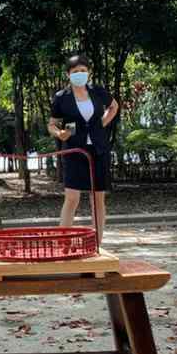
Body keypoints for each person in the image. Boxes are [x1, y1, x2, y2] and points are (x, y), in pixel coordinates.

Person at [47, 54, 118, 241]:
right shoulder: (61, 98)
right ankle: (62, 242)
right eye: (75, 71)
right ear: (68, 74)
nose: (80, 74)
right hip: (74, 150)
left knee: (98, 199)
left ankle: (97, 242)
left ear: (89, 73)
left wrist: (101, 124)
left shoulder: (97, 91)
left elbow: (114, 107)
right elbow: (52, 124)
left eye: (83, 71)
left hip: (98, 149)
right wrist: (59, 133)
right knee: (72, 198)